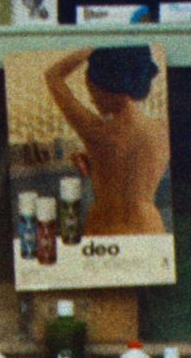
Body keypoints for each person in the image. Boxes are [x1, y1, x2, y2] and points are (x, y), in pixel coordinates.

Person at [42, 47, 169, 234]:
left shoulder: (96, 131)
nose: (93, 101)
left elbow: (53, 76)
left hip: (106, 230)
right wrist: (97, 160)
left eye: (92, 93)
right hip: (149, 229)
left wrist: (93, 45)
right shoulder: (162, 130)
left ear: (106, 88)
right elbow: (130, 163)